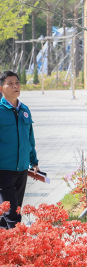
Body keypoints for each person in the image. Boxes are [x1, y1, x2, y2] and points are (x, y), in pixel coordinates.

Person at [0, 70, 39, 229]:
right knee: (13, 213)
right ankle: (20, 246)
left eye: (17, 83)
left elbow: (30, 138)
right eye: (10, 83)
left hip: (22, 168)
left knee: (10, 211)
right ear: (1, 88)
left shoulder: (25, 109)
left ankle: (5, 246)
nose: (15, 86)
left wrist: (33, 161)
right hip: (4, 169)